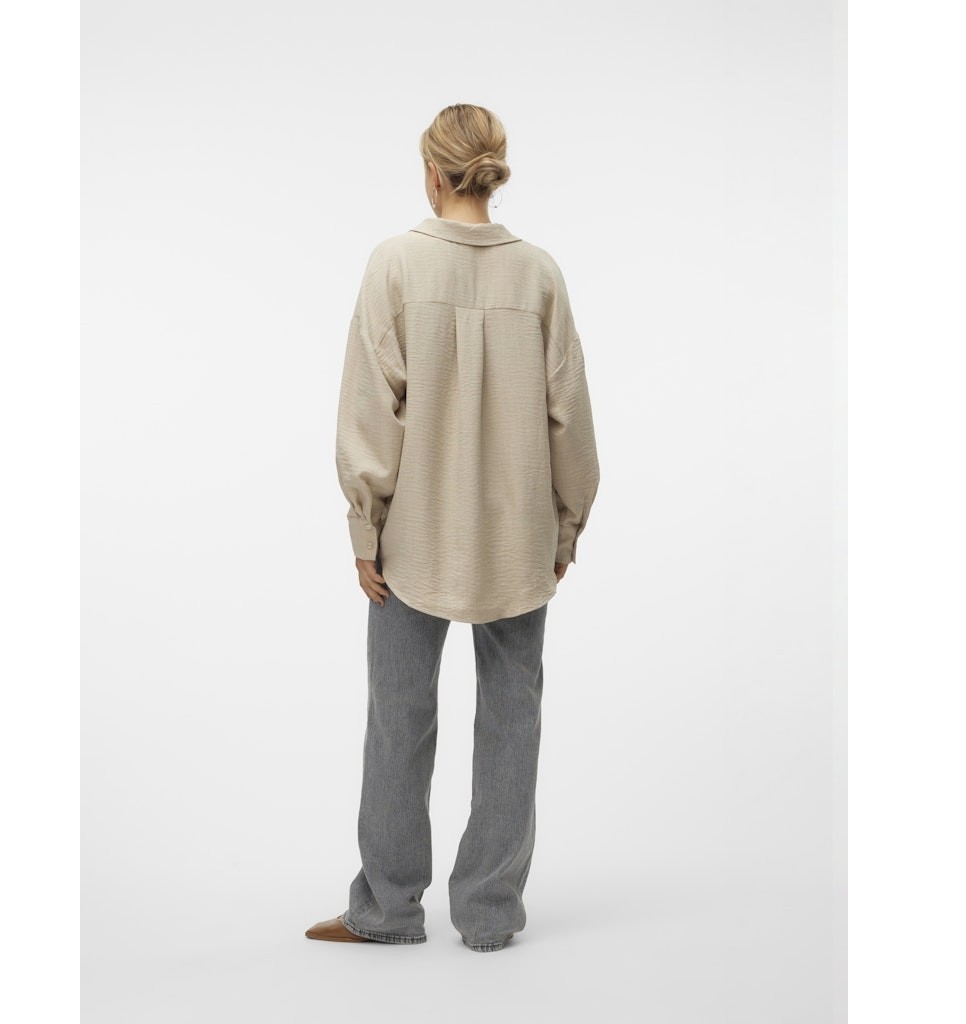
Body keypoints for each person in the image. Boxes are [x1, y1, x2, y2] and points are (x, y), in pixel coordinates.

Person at [306, 103, 600, 952]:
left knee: (399, 719)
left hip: (413, 543)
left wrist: (365, 529)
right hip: (519, 542)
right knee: (513, 718)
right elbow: (571, 418)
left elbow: (370, 414)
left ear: (433, 173)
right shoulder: (539, 274)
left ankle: (388, 909)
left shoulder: (395, 265)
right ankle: (490, 914)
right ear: (491, 174)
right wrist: (565, 529)